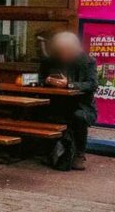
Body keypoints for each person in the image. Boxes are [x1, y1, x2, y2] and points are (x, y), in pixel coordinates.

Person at [34, 30, 101, 170]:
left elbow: (92, 84)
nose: (63, 54)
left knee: (79, 118)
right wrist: (46, 80)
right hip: (56, 103)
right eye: (60, 51)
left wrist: (69, 84)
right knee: (40, 113)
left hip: (82, 105)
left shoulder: (88, 61)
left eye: (66, 51)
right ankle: (51, 152)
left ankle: (79, 154)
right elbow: (39, 79)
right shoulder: (50, 60)